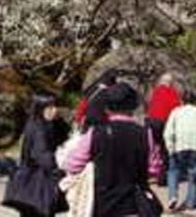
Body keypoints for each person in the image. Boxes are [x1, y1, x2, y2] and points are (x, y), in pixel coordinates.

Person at [67, 82, 160, 217]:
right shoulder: (145, 134)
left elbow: (72, 164)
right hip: (133, 204)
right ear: (133, 106)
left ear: (107, 108)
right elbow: (154, 169)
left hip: (101, 203)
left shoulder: (96, 133)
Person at [4, 95, 69, 217]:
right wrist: (56, 169)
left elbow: (63, 136)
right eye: (50, 107)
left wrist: (59, 121)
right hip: (38, 178)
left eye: (55, 106)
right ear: (40, 109)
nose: (54, 110)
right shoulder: (39, 128)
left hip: (32, 177)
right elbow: (41, 154)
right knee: (39, 210)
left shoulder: (44, 124)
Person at [163, 92, 196, 211]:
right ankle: (191, 202)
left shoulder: (176, 111)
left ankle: (173, 196)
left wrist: (170, 147)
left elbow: (168, 131)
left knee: (173, 171)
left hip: (179, 146)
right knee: (193, 174)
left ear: (182, 100)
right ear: (195, 100)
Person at [146, 73, 182, 184]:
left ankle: (152, 171)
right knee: (165, 149)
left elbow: (150, 105)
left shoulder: (154, 92)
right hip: (164, 122)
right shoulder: (172, 92)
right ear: (170, 83)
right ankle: (163, 176)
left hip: (152, 122)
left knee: (153, 148)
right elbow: (177, 108)